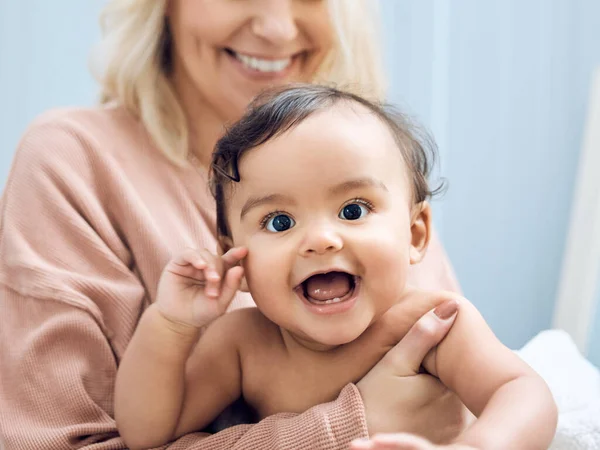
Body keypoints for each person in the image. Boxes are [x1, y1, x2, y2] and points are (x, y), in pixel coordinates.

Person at [0, 1, 468, 449]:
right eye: (279, 220)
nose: (279, 27)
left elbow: (488, 406)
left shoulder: (374, 169)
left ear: (415, 231)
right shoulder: (72, 163)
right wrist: (346, 427)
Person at [114, 85, 558, 450]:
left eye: (353, 210)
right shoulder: (242, 344)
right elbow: (148, 432)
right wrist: (170, 324)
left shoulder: (435, 326)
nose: (321, 239)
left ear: (416, 233)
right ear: (238, 259)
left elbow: (523, 393)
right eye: (280, 221)